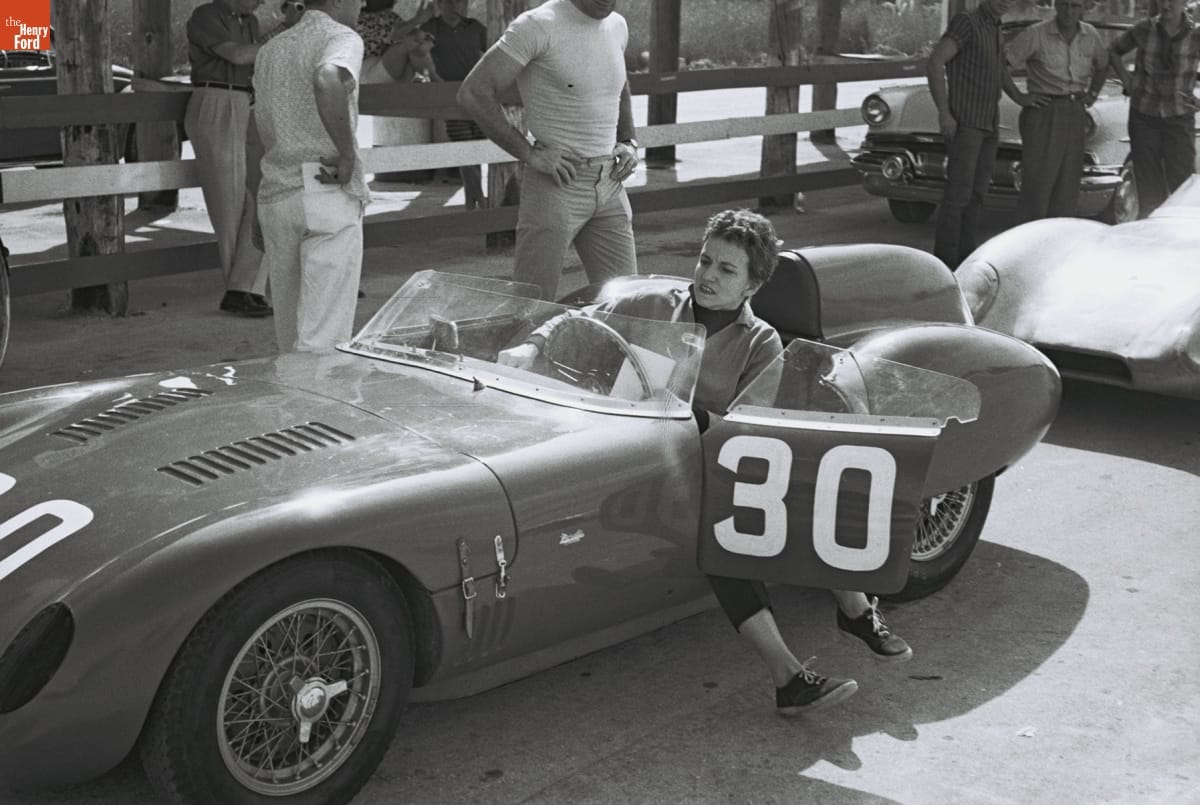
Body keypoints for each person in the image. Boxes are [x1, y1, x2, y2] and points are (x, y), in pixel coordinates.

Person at [499, 209, 911, 716]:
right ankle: (813, 652)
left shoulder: (760, 342)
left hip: (696, 459)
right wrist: (530, 345)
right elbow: (578, 316)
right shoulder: (650, 300)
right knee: (727, 524)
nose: (708, 276)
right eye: (705, 260)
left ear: (752, 284)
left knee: (763, 504)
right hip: (620, 448)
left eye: (726, 270)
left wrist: (687, 413)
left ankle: (831, 631)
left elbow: (745, 428)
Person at [457, 0, 640, 303]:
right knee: (531, 304)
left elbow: (619, 85)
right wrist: (528, 153)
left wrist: (628, 141)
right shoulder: (537, 24)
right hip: (557, 182)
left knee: (629, 305)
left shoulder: (618, 25)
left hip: (610, 181)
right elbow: (473, 92)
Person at [249, 0, 367, 352]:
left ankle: (291, 405)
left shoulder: (270, 50)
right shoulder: (341, 37)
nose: (361, 5)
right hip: (324, 185)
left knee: (290, 334)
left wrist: (258, 196)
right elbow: (327, 78)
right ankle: (314, 408)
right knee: (324, 338)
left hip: (276, 194)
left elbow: (254, 130)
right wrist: (347, 154)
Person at [184, 0, 272, 317]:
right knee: (229, 201)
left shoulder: (250, 21)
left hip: (245, 101)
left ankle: (246, 287)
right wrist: (287, 39)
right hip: (217, 97)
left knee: (261, 193)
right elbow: (236, 55)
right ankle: (239, 290)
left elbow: (254, 60)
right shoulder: (207, 15)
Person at [926, 0, 1026, 269]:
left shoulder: (995, 26)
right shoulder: (967, 22)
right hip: (966, 122)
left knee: (978, 195)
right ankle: (945, 264)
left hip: (989, 123)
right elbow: (936, 62)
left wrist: (1020, 97)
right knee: (958, 195)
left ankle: (967, 259)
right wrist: (944, 113)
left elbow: (999, 70)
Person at [1006, 0, 1110, 223]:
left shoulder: (1090, 34)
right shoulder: (1036, 34)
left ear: (1083, 8)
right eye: (1064, 5)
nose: (1069, 11)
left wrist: (1092, 94)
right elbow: (1001, 65)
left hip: (1075, 111)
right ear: (1056, 6)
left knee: (1068, 184)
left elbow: (1103, 64)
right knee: (1038, 185)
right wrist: (1019, 96)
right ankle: (1029, 243)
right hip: (1044, 111)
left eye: (1075, 6)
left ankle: (1056, 242)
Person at [1109, 0, 1200, 218]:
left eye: (1173, 2)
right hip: (1144, 117)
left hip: (1178, 118)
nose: (1167, 6)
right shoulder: (1144, 28)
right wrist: (1127, 80)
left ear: (1183, 4)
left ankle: (1180, 243)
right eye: (1163, 1)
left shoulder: (1196, 35)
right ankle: (1149, 240)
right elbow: (1113, 51)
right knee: (1149, 187)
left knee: (1183, 187)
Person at [422, 0, 489, 209]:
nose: (454, 5)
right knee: (463, 142)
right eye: (448, 1)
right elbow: (403, 42)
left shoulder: (476, 27)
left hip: (476, 93)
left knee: (478, 143)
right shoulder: (430, 27)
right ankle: (476, 196)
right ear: (439, 4)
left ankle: (474, 197)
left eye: (460, 1)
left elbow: (492, 53)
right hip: (449, 95)